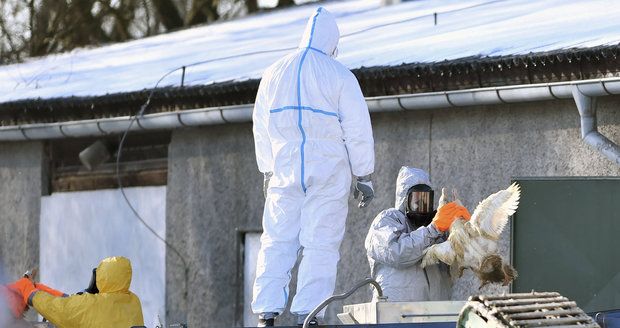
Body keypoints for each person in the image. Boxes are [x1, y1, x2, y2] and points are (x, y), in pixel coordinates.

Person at [251, 6, 375, 327]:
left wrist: (267, 168)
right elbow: (357, 130)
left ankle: (266, 313)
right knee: (320, 243)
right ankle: (309, 315)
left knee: (277, 239)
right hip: (328, 172)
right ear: (332, 41)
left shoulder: (273, 73)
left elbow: (260, 126)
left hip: (285, 169)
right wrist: (363, 174)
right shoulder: (339, 76)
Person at [364, 167, 470, 302]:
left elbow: (460, 261)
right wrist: (434, 228)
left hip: (437, 313)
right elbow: (397, 251)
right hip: (394, 313)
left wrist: (463, 229)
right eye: (416, 200)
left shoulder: (436, 227)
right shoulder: (388, 219)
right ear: (405, 199)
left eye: (426, 200)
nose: (422, 204)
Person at [6, 256, 144, 328]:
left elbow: (59, 308)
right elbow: (78, 309)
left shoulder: (91, 305)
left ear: (102, 277)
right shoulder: (134, 302)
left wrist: (29, 291)